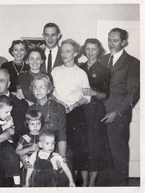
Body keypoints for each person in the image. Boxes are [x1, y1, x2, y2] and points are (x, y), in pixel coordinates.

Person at [99, 28, 140, 186]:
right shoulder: (102, 60)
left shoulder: (133, 62)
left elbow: (133, 93)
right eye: (109, 39)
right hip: (101, 114)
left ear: (124, 42)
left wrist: (116, 112)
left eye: (115, 40)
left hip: (118, 117)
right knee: (103, 153)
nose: (111, 43)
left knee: (118, 154)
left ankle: (120, 187)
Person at [52, 39, 91, 186]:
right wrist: (60, 103)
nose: (64, 54)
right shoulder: (55, 71)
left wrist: (73, 105)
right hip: (58, 111)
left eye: (68, 51)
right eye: (62, 51)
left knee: (78, 149)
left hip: (75, 114)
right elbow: (51, 93)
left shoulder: (81, 73)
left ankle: (80, 185)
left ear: (75, 53)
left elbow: (87, 96)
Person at [79, 38, 113, 186]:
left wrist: (93, 92)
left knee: (95, 147)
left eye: (93, 49)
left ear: (99, 50)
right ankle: (84, 181)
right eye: (88, 49)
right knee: (82, 146)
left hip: (95, 111)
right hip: (80, 110)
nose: (90, 52)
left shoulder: (104, 70)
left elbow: (105, 95)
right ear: (84, 50)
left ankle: (92, 183)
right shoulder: (78, 67)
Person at [27, 73, 71, 187]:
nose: (39, 90)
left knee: (61, 173)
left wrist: (62, 155)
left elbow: (62, 133)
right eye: (36, 87)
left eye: (42, 87)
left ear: (48, 90)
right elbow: (27, 135)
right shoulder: (30, 109)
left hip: (56, 147)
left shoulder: (58, 107)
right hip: (36, 148)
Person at [15, 110, 43, 186]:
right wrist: (29, 149)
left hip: (41, 165)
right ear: (27, 124)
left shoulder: (44, 136)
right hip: (28, 165)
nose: (35, 126)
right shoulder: (24, 137)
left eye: (38, 124)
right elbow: (17, 152)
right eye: (32, 124)